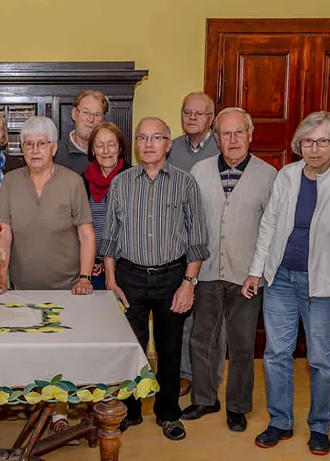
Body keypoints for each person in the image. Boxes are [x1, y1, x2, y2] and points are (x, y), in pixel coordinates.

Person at [242, 112, 330, 455]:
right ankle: (280, 421)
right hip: (280, 278)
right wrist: (256, 271)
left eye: (322, 141)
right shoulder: (287, 176)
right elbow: (268, 227)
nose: (314, 149)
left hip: (324, 287)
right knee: (276, 354)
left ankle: (319, 426)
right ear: (299, 144)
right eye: (308, 141)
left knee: (321, 360)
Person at [100, 117, 209, 441]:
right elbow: (110, 236)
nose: (148, 144)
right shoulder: (121, 182)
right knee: (128, 348)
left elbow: (198, 241)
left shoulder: (185, 184)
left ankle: (168, 413)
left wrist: (188, 285)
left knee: (170, 349)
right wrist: (110, 278)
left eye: (156, 137)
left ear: (167, 144)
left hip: (171, 278)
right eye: (142, 138)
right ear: (136, 144)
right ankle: (129, 411)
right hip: (129, 276)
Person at [0, 116, 96, 435]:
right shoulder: (10, 181)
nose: (35, 150)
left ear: (53, 147)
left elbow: (86, 233)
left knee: (59, 350)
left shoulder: (72, 181)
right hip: (22, 286)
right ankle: (34, 403)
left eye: (41, 143)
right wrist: (2, 277)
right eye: (28, 144)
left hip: (65, 287)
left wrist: (84, 276)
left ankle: (58, 410)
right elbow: (3, 233)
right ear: (22, 149)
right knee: (28, 349)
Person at [183, 108, 276, 433]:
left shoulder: (268, 175)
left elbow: (272, 229)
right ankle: (205, 398)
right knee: (201, 339)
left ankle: (238, 406)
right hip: (206, 272)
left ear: (250, 135)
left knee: (241, 344)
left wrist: (259, 271)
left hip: (247, 277)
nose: (233, 139)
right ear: (217, 137)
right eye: (226, 133)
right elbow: (190, 223)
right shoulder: (199, 170)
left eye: (239, 133)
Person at [168, 92, 223, 397]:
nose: (191, 118)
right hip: (180, 244)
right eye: (186, 112)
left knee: (214, 317)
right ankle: (185, 373)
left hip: (215, 243)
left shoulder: (222, 146)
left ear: (211, 118)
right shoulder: (172, 148)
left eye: (198, 114)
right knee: (184, 312)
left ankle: (212, 376)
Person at [81, 122, 130, 291]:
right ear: (93, 150)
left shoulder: (133, 179)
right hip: (91, 269)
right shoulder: (82, 181)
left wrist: (110, 261)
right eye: (100, 145)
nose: (106, 151)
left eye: (111, 145)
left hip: (125, 268)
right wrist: (94, 261)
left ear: (120, 148)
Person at [54, 90, 108, 175]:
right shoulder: (55, 153)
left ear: (102, 120)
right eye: (85, 112)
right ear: (74, 114)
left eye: (97, 115)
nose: (91, 119)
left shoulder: (108, 155)